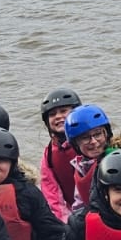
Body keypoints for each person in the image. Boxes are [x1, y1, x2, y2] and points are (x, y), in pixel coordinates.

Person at [64, 103, 121, 212]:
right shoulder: (81, 167)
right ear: (75, 144)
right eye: (85, 138)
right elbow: (79, 204)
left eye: (98, 134)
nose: (94, 141)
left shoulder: (120, 159)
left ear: (106, 134)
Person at [37, 87, 82, 222]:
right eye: (52, 114)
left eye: (63, 111)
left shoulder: (90, 143)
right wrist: (63, 222)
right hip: (72, 214)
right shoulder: (49, 154)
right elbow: (51, 194)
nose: (58, 116)